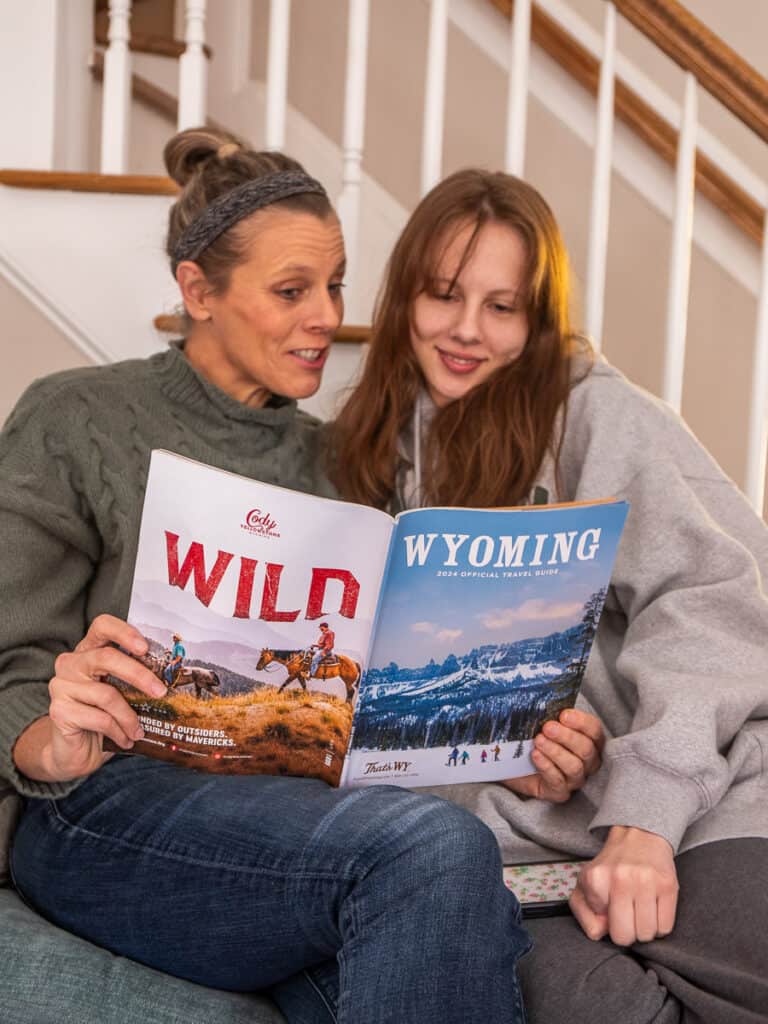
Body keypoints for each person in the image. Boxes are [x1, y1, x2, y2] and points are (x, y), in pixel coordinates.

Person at [0, 130, 604, 1024]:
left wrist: (499, 752)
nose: (326, 316)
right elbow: (9, 667)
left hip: (290, 830)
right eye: (291, 291)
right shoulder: (77, 417)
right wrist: (55, 735)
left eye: (335, 285)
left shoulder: (344, 465)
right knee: (435, 853)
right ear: (198, 292)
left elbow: (358, 714)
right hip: (101, 807)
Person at [328, 168, 768, 1022]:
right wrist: (504, 763)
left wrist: (646, 815)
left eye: (502, 306)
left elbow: (715, 605)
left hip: (695, 802)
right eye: (444, 295)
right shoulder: (375, 455)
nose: (464, 331)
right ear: (404, 300)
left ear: (537, 320)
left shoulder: (598, 418)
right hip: (523, 841)